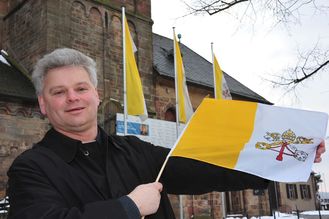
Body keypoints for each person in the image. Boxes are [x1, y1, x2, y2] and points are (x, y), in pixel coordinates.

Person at [7, 48, 325, 219]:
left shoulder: (135, 151)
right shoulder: (30, 169)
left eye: (81, 88)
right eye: (59, 92)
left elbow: (202, 168)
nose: (73, 97)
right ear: (43, 105)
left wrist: (276, 160)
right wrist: (128, 209)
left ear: (97, 95)